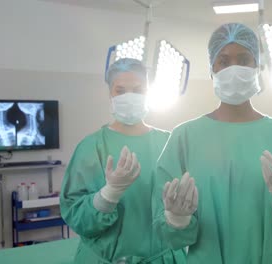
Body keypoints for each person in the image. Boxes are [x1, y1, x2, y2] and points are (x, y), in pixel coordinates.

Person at [152, 23, 272, 264]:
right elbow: (168, 236)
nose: (234, 68)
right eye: (224, 61)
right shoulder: (184, 138)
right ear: (212, 68)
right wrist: (177, 219)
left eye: (244, 59)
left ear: (257, 66)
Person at [60, 58, 185, 263]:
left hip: (162, 258)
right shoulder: (92, 147)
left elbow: (188, 208)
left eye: (138, 89)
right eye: (121, 90)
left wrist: (181, 216)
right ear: (110, 93)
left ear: (148, 92)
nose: (130, 96)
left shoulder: (169, 143)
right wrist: (108, 195)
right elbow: (76, 216)